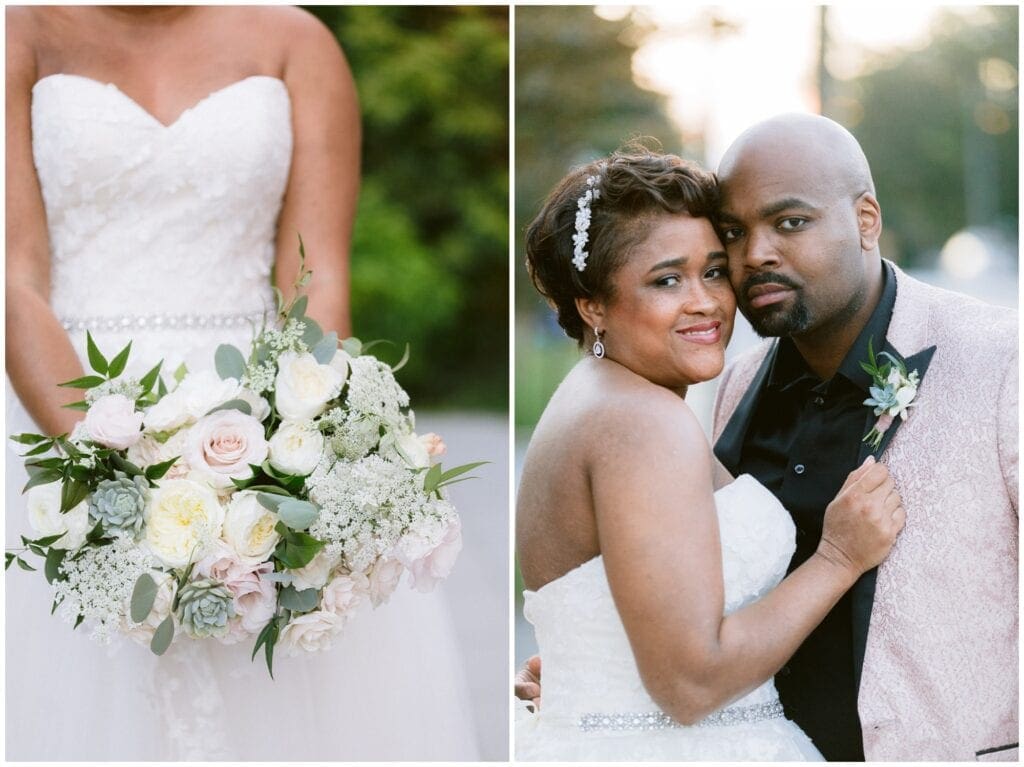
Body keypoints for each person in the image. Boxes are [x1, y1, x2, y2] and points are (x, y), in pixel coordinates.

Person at [6, 6, 477, 760]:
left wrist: (302, 449)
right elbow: (15, 281)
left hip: (256, 416)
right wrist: (104, 469)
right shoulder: (18, 30)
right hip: (62, 405)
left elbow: (316, 278)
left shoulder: (297, 42)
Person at [514, 145, 905, 760]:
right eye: (666, 280)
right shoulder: (642, 421)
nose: (707, 302)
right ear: (592, 305)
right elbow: (690, 686)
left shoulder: (599, 400)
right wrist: (837, 557)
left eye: (715, 271)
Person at [711, 113, 1017, 761]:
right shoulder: (735, 389)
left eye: (789, 222)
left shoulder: (1001, 362)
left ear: (866, 220)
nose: (755, 253)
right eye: (733, 232)